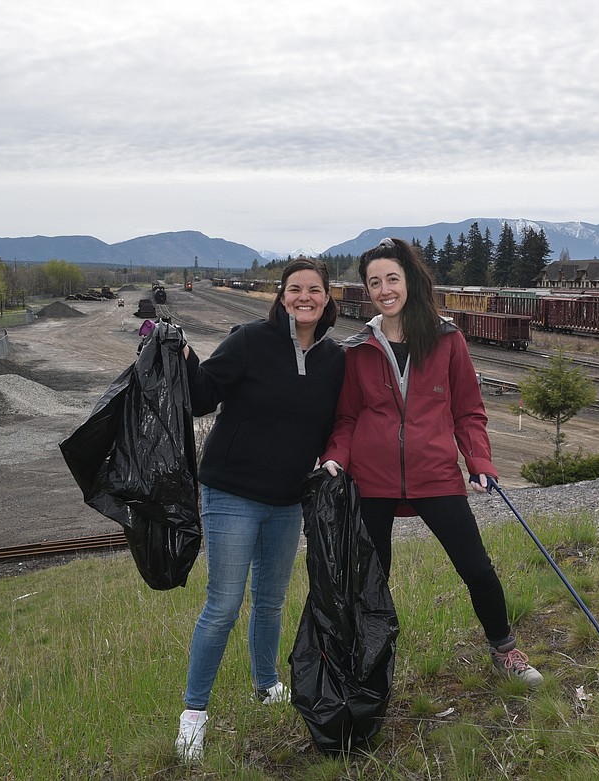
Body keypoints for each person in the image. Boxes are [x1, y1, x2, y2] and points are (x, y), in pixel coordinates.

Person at [321, 237, 543, 688]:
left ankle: (504, 651)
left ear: (410, 282)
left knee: (476, 567)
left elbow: (468, 410)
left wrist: (479, 460)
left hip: (436, 475)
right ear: (367, 289)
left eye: (392, 279)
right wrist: (333, 459)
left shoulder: (446, 339)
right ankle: (370, 668)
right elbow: (346, 417)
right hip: (373, 480)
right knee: (371, 580)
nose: (384, 289)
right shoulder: (357, 347)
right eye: (374, 282)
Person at [175, 258, 345, 762]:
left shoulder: (334, 358)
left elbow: (342, 419)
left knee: (270, 602)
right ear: (281, 295)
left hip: (287, 498)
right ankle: (194, 714)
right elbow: (204, 395)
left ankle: (266, 684)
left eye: (314, 290)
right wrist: (184, 354)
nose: (304, 298)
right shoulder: (250, 339)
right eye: (295, 289)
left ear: (327, 297)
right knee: (224, 605)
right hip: (231, 492)